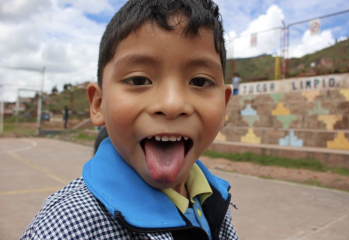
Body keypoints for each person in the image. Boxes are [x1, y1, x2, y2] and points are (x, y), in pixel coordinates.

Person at [21, 0, 238, 239]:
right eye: (138, 80)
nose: (172, 105)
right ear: (98, 104)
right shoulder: (64, 227)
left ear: (224, 104)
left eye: (200, 81)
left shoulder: (213, 197)